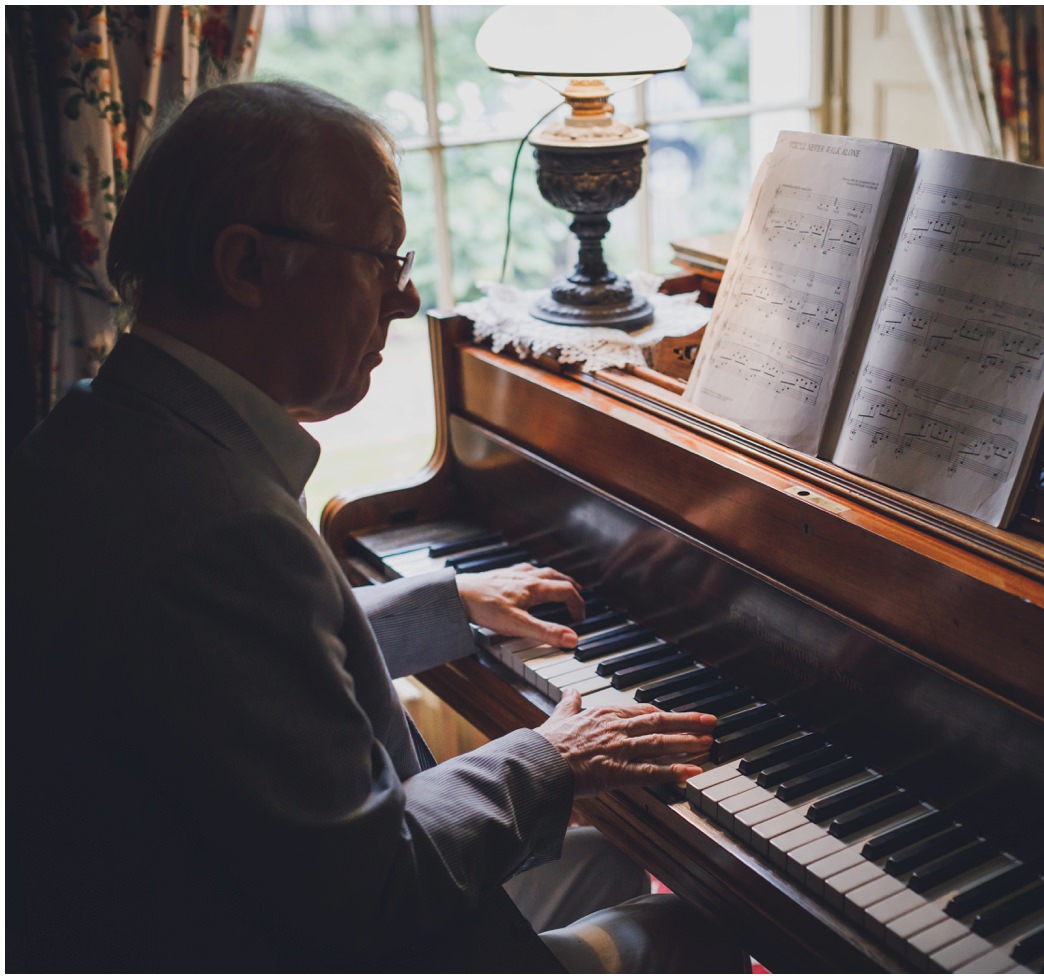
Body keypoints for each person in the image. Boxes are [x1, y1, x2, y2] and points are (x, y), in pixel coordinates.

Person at [10, 80, 741, 972]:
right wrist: (552, 756)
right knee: (708, 924)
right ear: (246, 266)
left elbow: (241, 666)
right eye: (381, 260)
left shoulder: (104, 424)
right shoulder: (223, 528)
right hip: (280, 936)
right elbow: (369, 884)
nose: (403, 301)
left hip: (208, 896)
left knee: (612, 857)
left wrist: (442, 602)